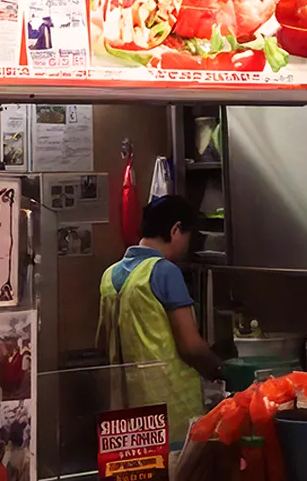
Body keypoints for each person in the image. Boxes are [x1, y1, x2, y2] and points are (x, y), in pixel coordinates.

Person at [98, 195, 222, 460]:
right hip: (169, 412)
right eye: (188, 236)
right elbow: (190, 347)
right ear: (175, 230)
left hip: (123, 416)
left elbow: (102, 344)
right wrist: (220, 371)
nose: (187, 245)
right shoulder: (164, 271)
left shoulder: (109, 275)